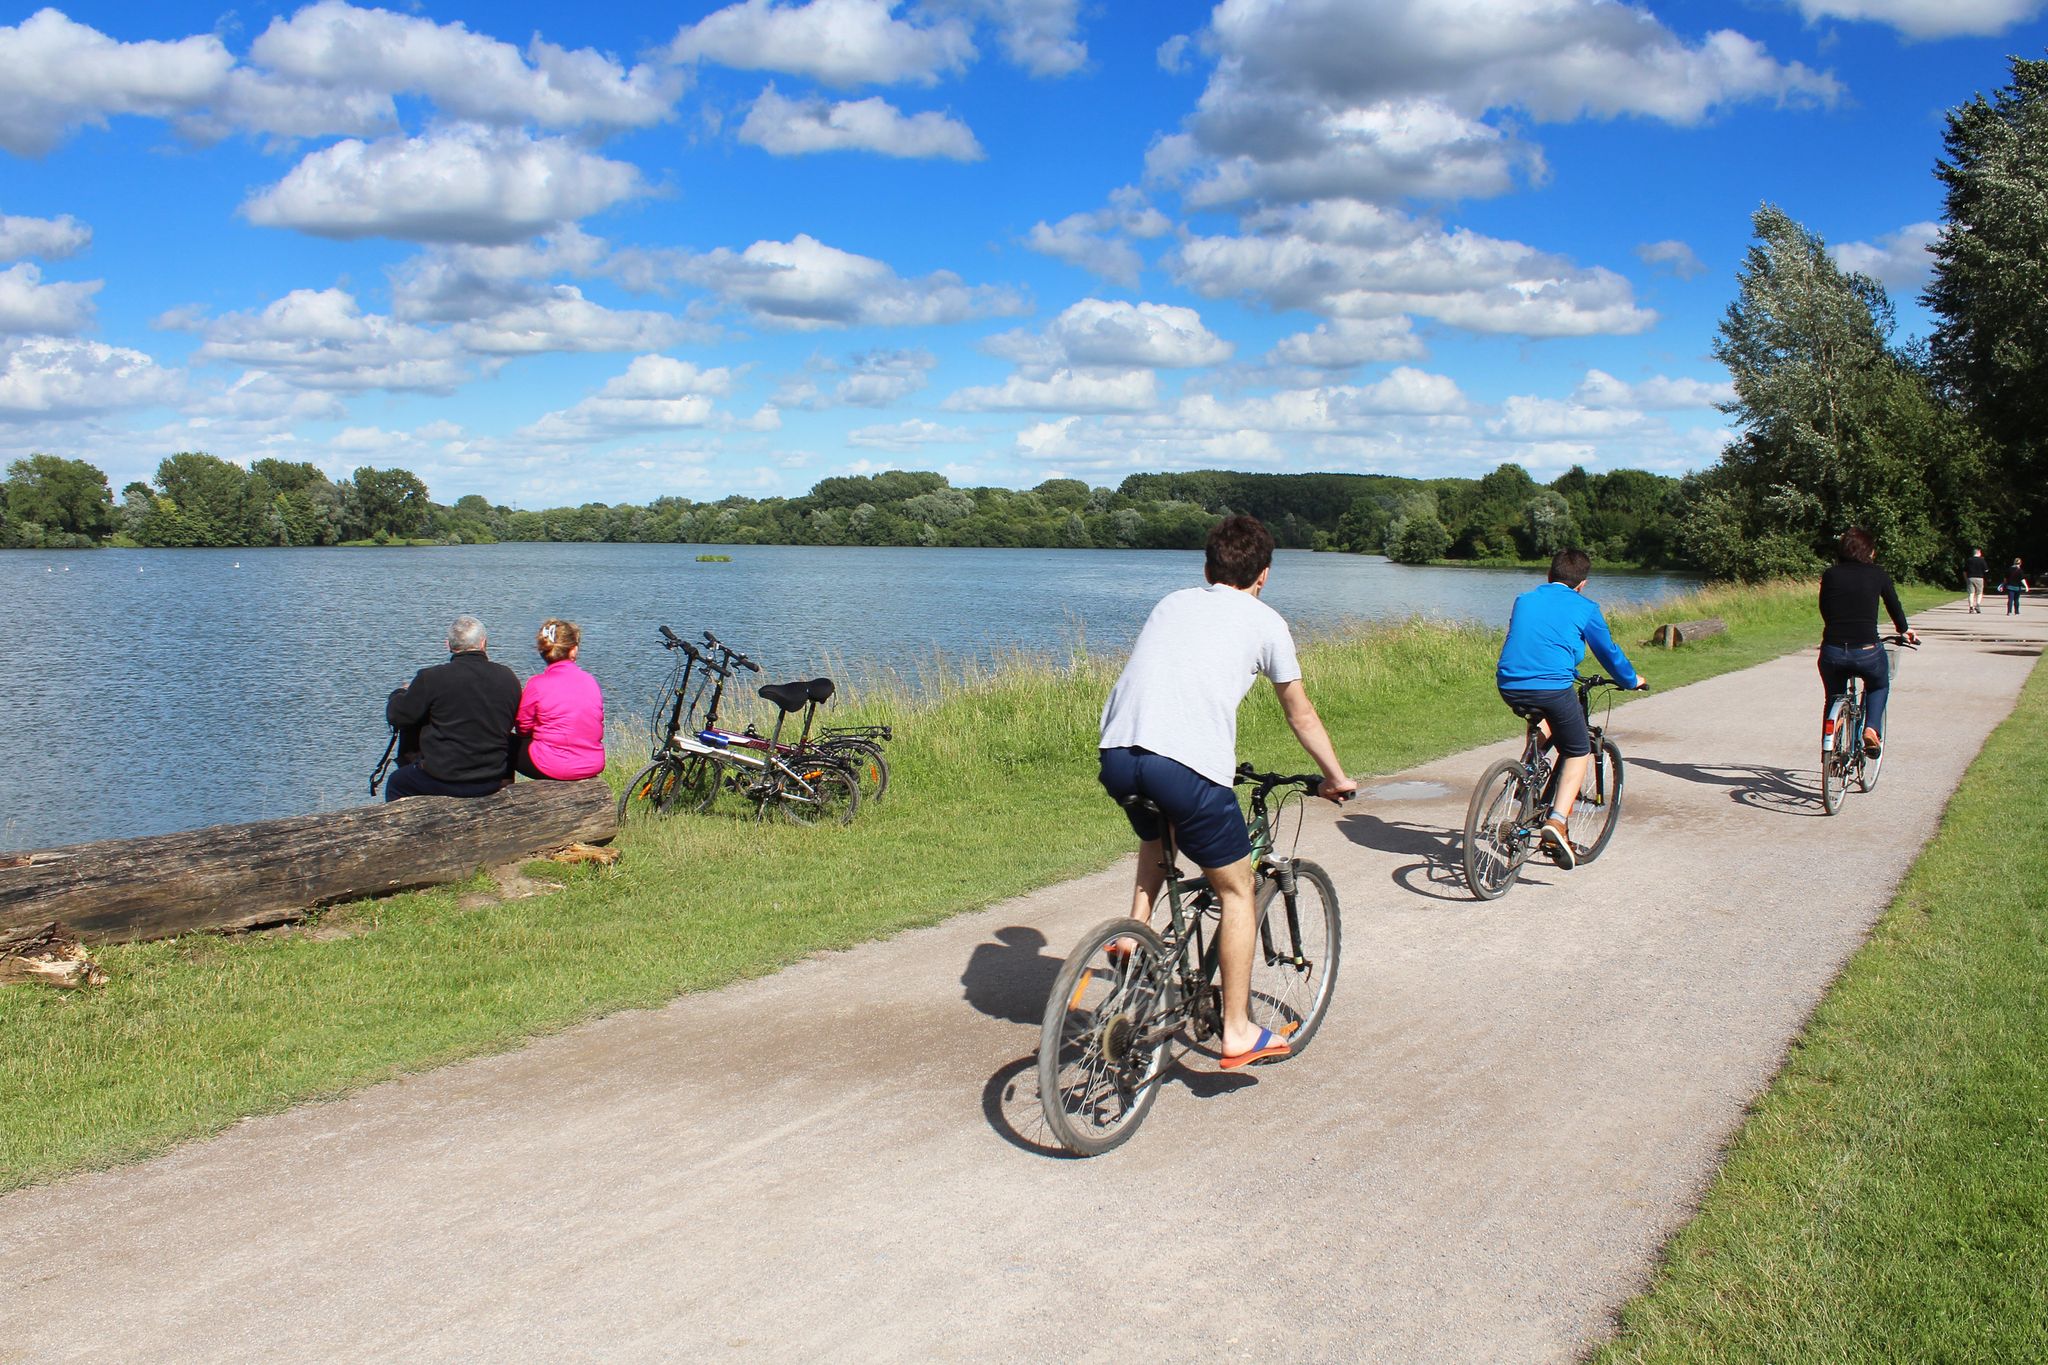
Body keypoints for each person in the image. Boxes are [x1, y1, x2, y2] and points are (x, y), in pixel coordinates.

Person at [1098, 515, 1356, 1069]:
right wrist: (1334, 775)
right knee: (1238, 890)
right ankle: (1236, 1032)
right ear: (1264, 575)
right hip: (1185, 766)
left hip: (1118, 755)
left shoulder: (1171, 603)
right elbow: (1300, 712)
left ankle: (1135, 933)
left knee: (1159, 829)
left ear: (1206, 567)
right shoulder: (1267, 623)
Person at [1496, 549, 1648, 871]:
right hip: (1551, 687)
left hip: (1509, 683)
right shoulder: (1585, 607)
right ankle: (1558, 822)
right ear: (1583, 584)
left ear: (1549, 576)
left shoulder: (1524, 599)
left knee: (1547, 715)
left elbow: (1531, 641)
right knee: (1578, 749)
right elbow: (1608, 652)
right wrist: (1631, 680)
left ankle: (1529, 768)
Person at [383, 615, 521, 801]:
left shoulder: (431, 678)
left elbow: (398, 716)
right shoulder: (508, 678)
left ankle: (403, 829)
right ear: (483, 643)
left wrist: (399, 693)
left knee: (396, 783)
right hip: (492, 778)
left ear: (448, 645)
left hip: (443, 779)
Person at [1819, 528, 1917, 758]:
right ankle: (1871, 729)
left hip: (1832, 650)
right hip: (1866, 651)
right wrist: (1904, 629)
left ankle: (1833, 734)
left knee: (1834, 695)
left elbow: (1825, 607)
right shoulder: (1877, 574)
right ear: (1869, 551)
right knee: (1879, 685)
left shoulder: (1831, 574)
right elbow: (1894, 604)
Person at [514, 618, 606, 781]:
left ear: (543, 651)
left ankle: (506, 798)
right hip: (592, 763)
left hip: (553, 766)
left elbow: (523, 727)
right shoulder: (590, 681)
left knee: (504, 745)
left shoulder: (537, 684)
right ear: (573, 650)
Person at [1964, 547, 1990, 614]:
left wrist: (1966, 578)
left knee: (1971, 593)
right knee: (1979, 593)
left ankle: (1971, 607)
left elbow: (1965, 571)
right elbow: (1986, 570)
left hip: (1970, 578)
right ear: (1978, 553)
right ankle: (1977, 605)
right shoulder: (1982, 560)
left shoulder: (1969, 560)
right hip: (1979, 578)